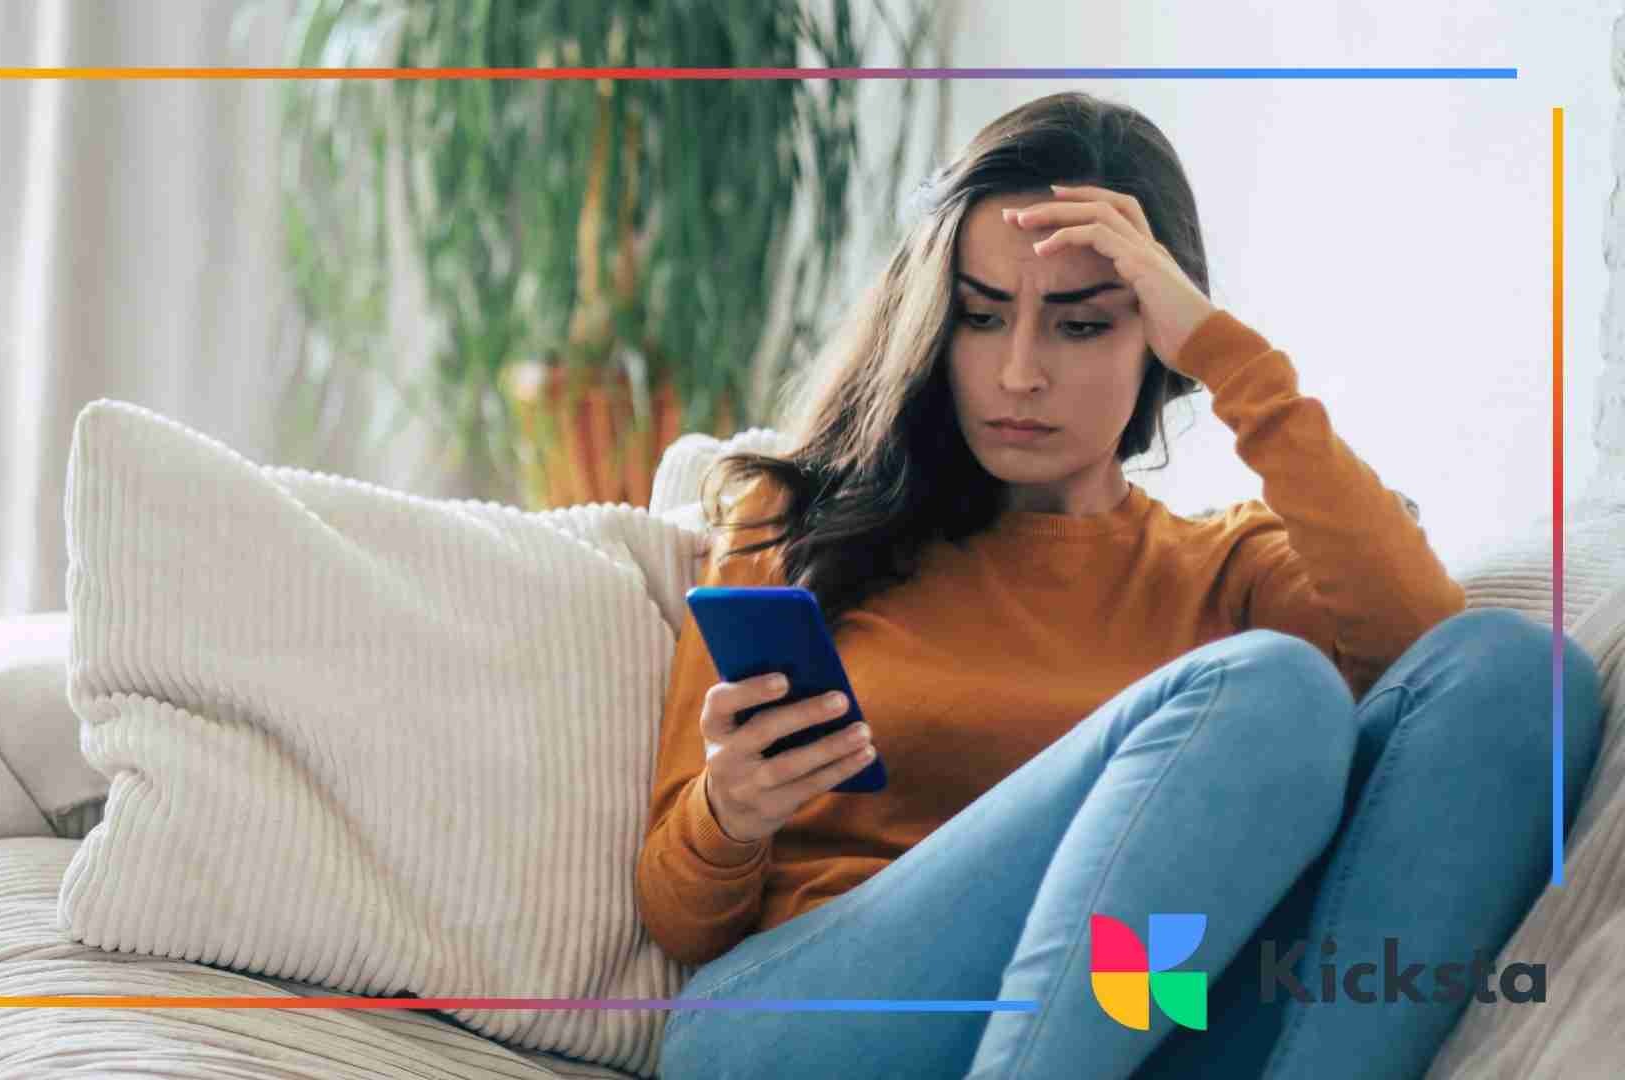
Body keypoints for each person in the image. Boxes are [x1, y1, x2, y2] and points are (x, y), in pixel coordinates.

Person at [634, 90, 1605, 1080]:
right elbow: (678, 913)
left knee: (1523, 674)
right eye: (979, 316)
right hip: (811, 1018)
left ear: (1158, 344)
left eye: (1081, 325)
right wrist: (732, 812)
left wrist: (1228, 356)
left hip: (1129, 1027)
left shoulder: (1231, 569)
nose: (1019, 373)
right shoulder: (792, 517)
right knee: (1267, 690)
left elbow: (1445, 673)